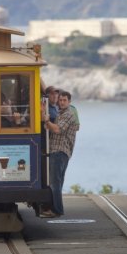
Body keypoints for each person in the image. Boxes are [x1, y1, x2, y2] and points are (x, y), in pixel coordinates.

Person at [41, 90, 78, 218]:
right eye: (60, 100)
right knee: (57, 182)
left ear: (69, 102)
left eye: (64, 100)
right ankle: (55, 208)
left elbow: (57, 129)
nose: (61, 102)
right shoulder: (60, 113)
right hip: (57, 151)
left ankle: (56, 210)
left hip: (60, 151)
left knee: (55, 183)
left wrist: (46, 121)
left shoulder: (68, 114)